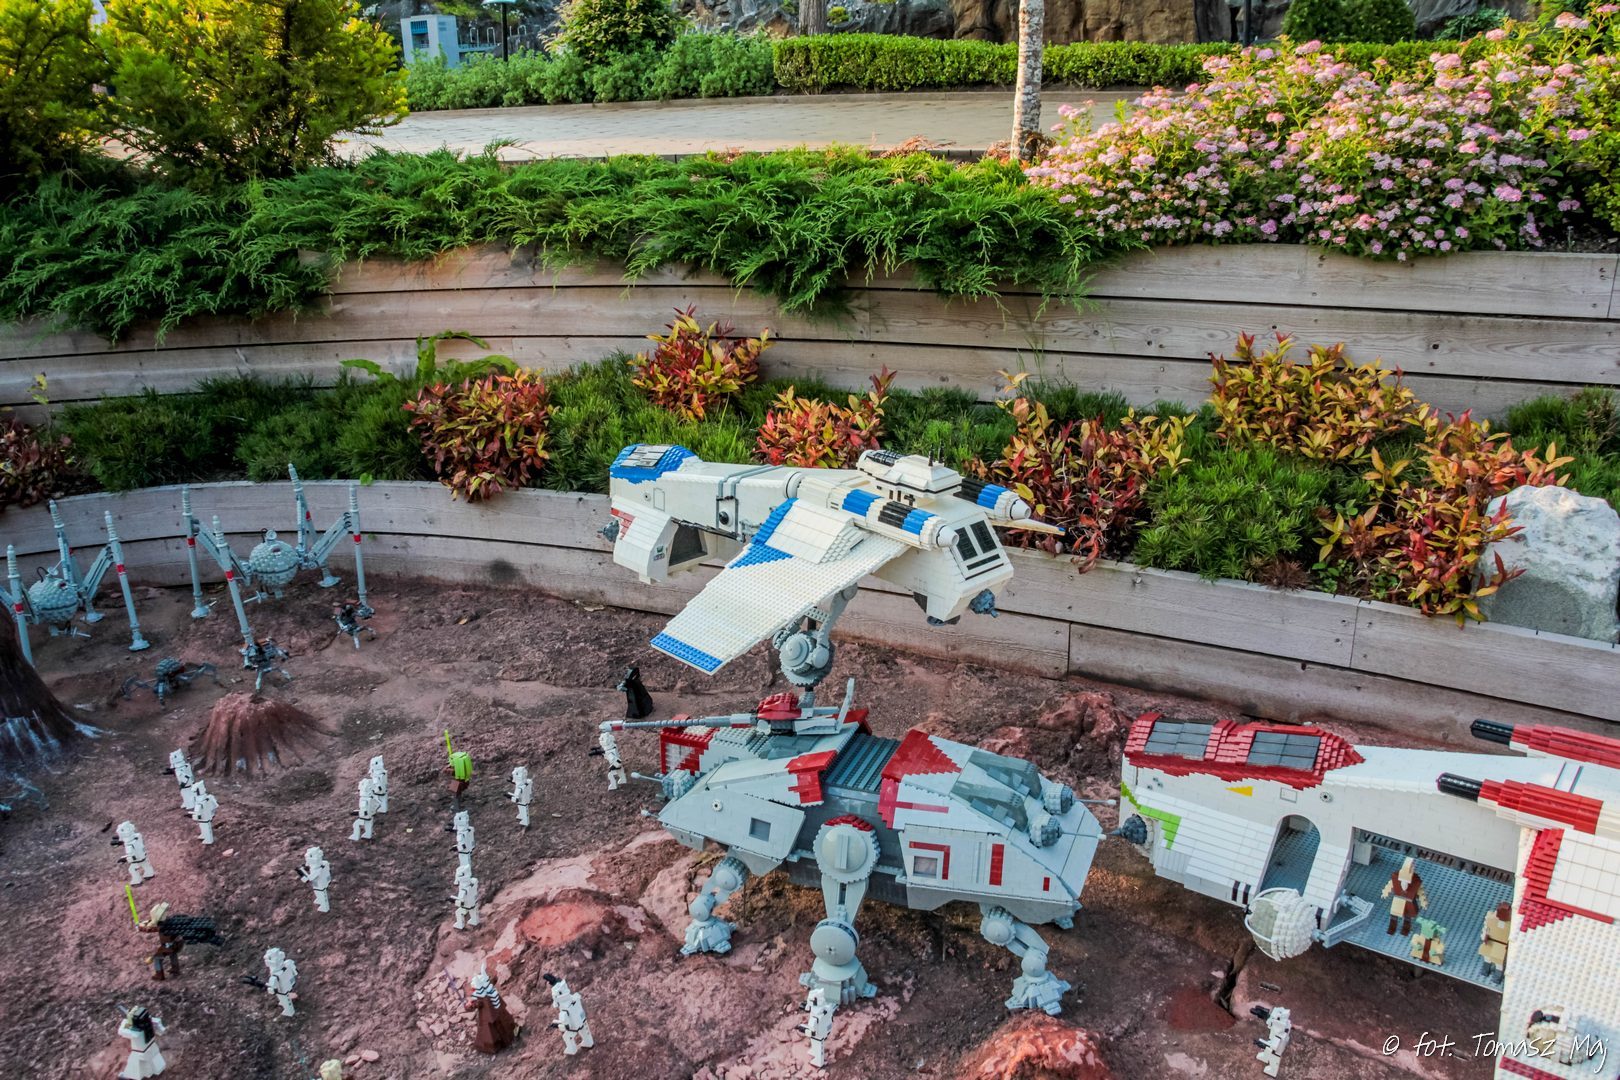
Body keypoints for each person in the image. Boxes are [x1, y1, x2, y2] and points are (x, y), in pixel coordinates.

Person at [465, 965, 518, 1054]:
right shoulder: (488, 989)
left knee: (493, 1032)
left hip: (490, 1016)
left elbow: (475, 1005)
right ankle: (510, 1038)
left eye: (473, 989)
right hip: (499, 1011)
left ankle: (504, 1043)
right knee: (505, 1024)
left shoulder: (481, 998)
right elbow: (494, 979)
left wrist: (469, 1005)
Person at [116, 1006, 166, 1079]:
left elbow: (121, 1031)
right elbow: (161, 1030)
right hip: (152, 1046)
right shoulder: (151, 1022)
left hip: (139, 1052)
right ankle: (158, 1070)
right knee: (155, 1059)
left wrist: (126, 1021)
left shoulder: (135, 1032)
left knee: (133, 1065)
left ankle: (130, 1076)